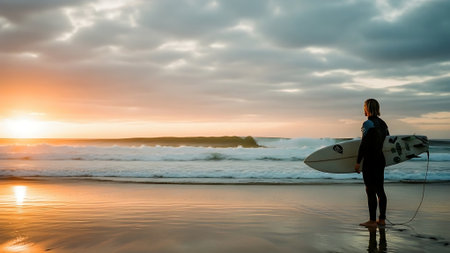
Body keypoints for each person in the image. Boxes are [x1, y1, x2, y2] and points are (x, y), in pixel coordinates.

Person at [355, 98, 390, 227]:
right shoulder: (383, 123)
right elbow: (387, 141)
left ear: (367, 108)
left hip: (370, 160)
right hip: (380, 159)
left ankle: (371, 220)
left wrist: (358, 162)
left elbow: (363, 144)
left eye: (364, 107)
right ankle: (382, 219)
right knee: (380, 190)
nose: (363, 110)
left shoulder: (367, 124)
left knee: (370, 190)